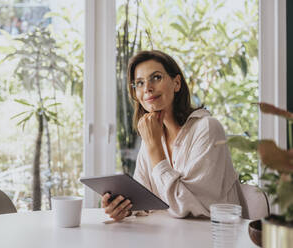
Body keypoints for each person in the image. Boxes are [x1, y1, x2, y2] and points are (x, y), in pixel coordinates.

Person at [102, 50, 240, 221]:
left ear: (176, 83)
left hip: (210, 237)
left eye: (156, 77)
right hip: (167, 235)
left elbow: (186, 209)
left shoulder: (208, 128)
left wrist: (155, 149)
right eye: (139, 83)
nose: (147, 88)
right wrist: (125, 208)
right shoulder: (152, 136)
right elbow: (144, 199)